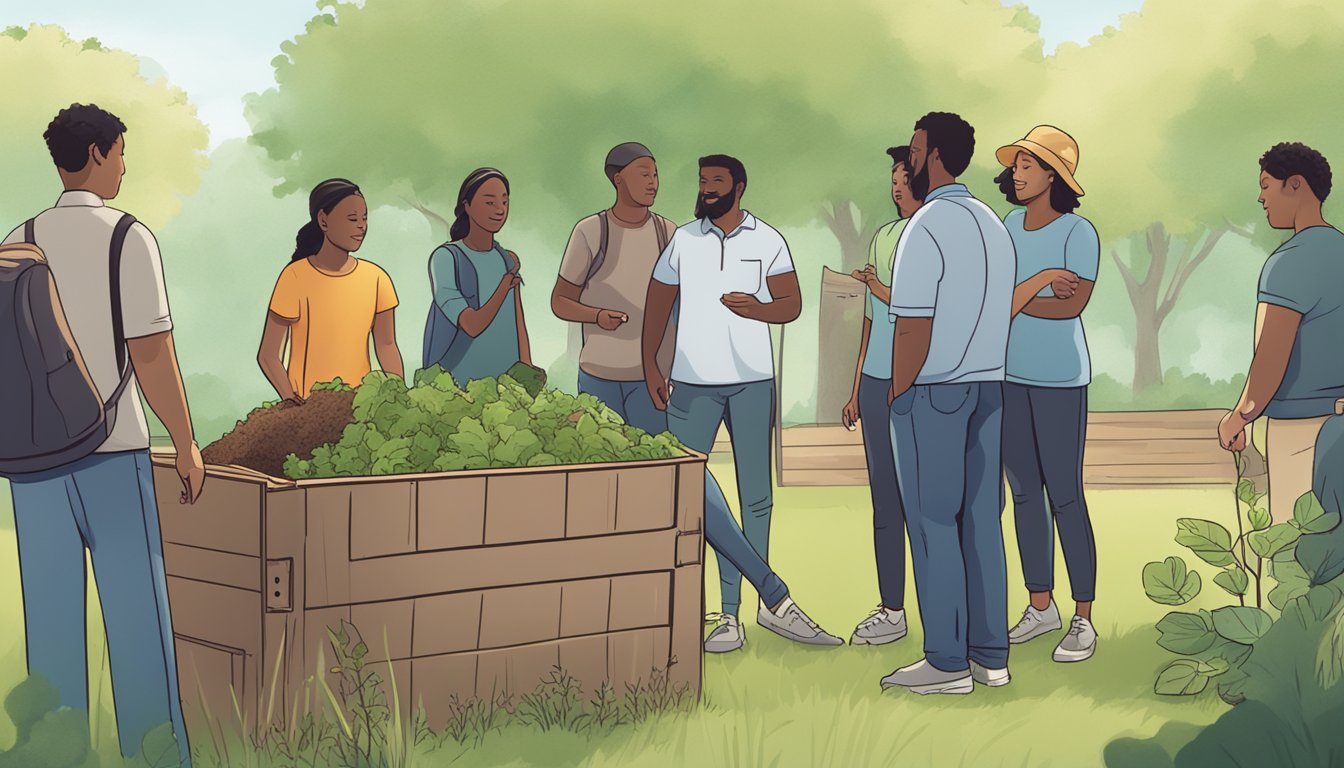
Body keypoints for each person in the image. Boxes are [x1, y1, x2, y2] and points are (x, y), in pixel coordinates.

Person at [1, 103, 200, 765]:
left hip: (31, 459)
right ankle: (154, 755)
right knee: (138, 616)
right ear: (96, 154)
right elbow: (150, 354)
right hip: (113, 452)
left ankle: (53, 752)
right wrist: (187, 440)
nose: (123, 164)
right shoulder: (128, 238)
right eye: (119, 151)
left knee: (51, 623)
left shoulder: (16, 238)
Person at [643, 154, 841, 652]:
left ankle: (760, 611)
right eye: (703, 182)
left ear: (739, 187)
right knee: (690, 492)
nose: (707, 189)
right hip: (690, 384)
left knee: (756, 498)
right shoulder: (684, 240)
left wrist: (760, 310)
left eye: (717, 182)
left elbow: (791, 306)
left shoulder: (768, 239)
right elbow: (659, 303)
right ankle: (725, 615)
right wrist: (650, 363)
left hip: (752, 383)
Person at [880, 112, 1016, 695]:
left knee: (933, 522)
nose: (908, 160)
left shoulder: (926, 226)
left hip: (933, 390)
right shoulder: (992, 222)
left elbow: (912, 326)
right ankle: (990, 656)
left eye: (914, 149)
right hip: (990, 388)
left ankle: (945, 661)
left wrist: (897, 391)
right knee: (982, 522)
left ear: (934, 156)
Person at [993, 125, 1101, 663]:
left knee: (1065, 493)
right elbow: (999, 298)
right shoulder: (1008, 225)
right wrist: (1039, 282)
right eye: (1016, 165)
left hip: (1059, 379)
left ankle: (1082, 616)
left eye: (1029, 165)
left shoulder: (1078, 233)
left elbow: (1072, 306)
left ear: (1054, 177)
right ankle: (1041, 606)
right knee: (1024, 494)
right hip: (1009, 376)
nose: (1017, 173)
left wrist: (1014, 296)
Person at [1219, 143, 1344, 524]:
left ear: (1295, 185)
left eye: (1266, 186)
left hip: (1301, 429)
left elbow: (1271, 358)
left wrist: (1239, 417)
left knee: (1294, 549)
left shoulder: (1288, 263)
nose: (1260, 197)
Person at [841, 145, 923, 646]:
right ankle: (892, 608)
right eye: (891, 179)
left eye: (904, 177)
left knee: (925, 501)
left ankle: (941, 608)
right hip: (876, 381)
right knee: (884, 501)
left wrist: (882, 288)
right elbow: (871, 322)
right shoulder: (883, 236)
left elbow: (921, 307)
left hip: (914, 379)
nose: (895, 186)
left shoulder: (931, 233)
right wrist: (855, 388)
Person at [552, 142, 677, 435]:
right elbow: (560, 301)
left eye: (656, 175)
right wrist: (597, 316)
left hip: (651, 379)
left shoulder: (668, 234)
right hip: (600, 376)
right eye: (644, 174)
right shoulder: (591, 231)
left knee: (653, 464)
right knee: (603, 466)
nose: (653, 183)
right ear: (617, 178)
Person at [258, 178, 404, 400]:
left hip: (360, 409)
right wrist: (290, 399)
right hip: (309, 410)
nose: (361, 226)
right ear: (323, 220)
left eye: (364, 219)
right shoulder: (295, 276)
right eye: (352, 219)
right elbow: (268, 354)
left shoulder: (377, 278)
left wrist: (399, 396)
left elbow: (386, 345)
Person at [423, 167, 537, 384]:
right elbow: (472, 325)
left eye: (505, 201)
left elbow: (517, 322)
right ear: (467, 206)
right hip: (457, 386)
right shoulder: (446, 258)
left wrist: (527, 371)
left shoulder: (507, 259)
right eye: (489, 202)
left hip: (507, 386)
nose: (500, 209)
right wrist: (504, 284)